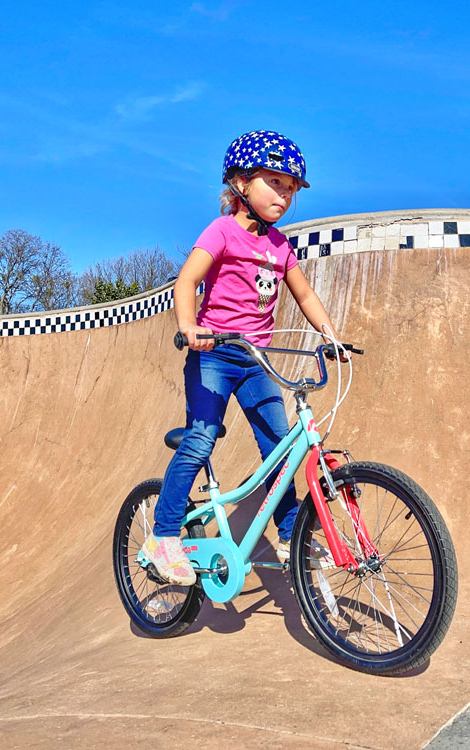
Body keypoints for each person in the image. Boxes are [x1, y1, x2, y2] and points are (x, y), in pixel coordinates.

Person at [139, 130, 344, 585]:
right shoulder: (222, 231)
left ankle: (293, 537)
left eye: (291, 189)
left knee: (279, 448)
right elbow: (187, 279)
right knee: (200, 439)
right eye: (275, 183)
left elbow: (305, 293)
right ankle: (164, 539)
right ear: (241, 184)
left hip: (257, 360)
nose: (285, 196)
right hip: (214, 354)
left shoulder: (279, 245)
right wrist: (190, 327)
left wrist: (331, 336)